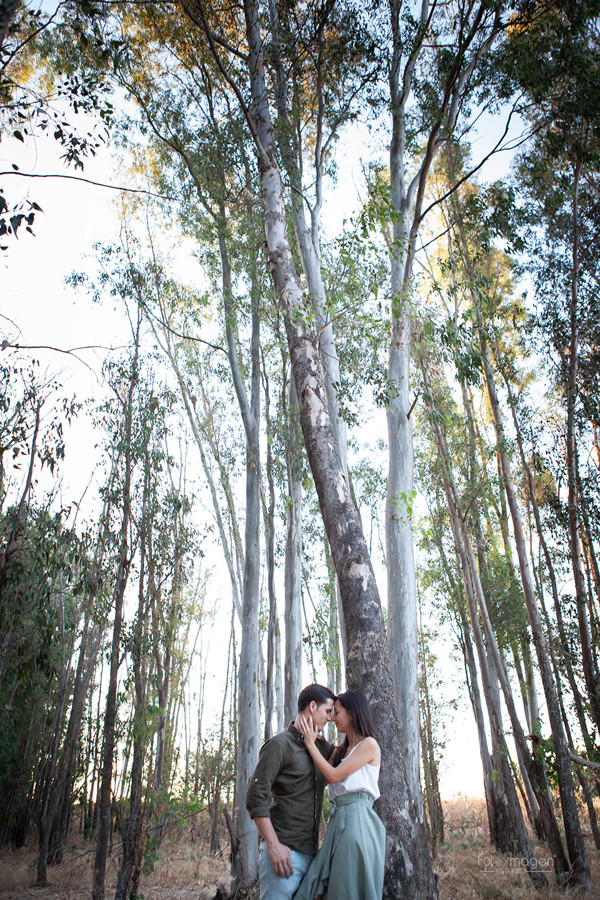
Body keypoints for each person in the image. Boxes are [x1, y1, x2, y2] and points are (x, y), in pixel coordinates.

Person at [246, 684, 336, 900]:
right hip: (283, 854)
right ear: (312, 707)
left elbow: (345, 758)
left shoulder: (322, 747)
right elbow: (255, 796)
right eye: (328, 711)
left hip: (313, 856)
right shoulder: (279, 745)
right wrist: (273, 846)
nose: (330, 718)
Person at [294, 690, 386, 900]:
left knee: (346, 888)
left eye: (337, 712)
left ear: (352, 713)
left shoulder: (369, 745)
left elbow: (334, 776)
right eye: (331, 712)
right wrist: (315, 741)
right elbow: (324, 777)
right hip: (339, 822)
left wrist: (310, 745)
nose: (332, 718)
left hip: (358, 821)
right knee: (315, 887)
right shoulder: (340, 752)